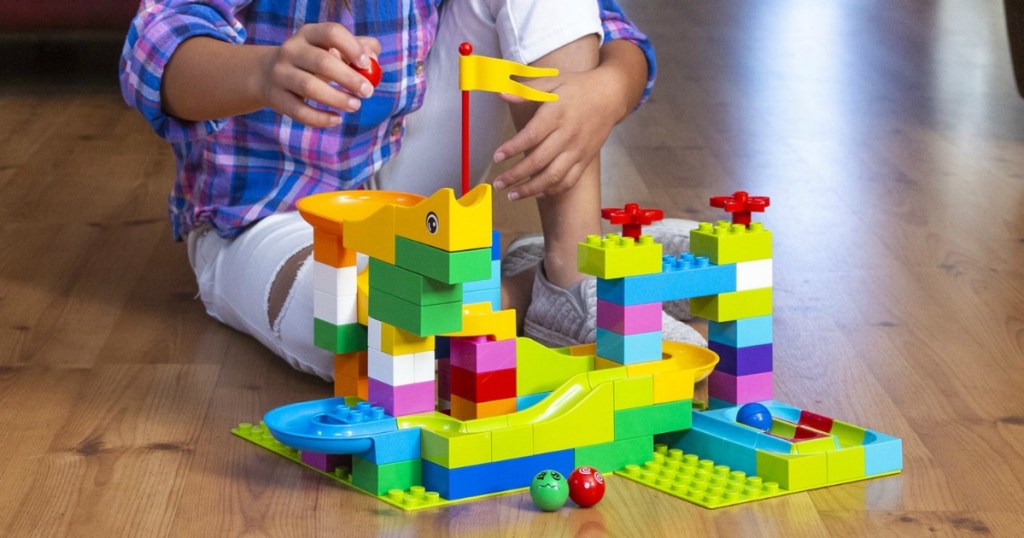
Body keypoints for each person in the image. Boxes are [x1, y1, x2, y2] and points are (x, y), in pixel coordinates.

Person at [120, 0, 703, 380]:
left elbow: (602, 25)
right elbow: (153, 50)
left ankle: (574, 273)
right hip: (269, 213)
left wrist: (609, 87)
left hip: (409, 180)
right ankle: (534, 284)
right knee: (362, 332)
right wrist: (262, 72)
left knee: (405, 320)